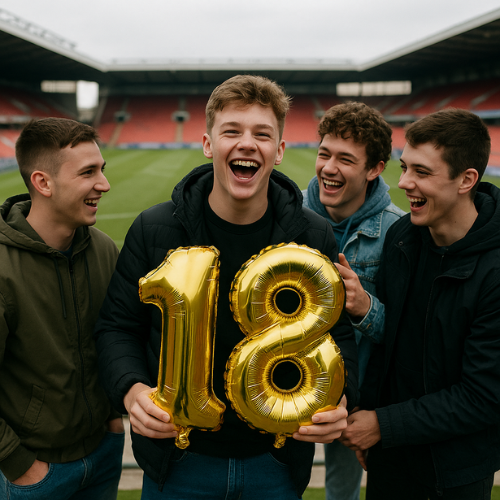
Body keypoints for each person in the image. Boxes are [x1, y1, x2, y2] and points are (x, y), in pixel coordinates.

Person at [94, 74, 358, 500]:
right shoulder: (154, 229)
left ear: (280, 150)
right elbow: (118, 327)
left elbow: (339, 337)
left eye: (262, 134)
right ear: (207, 143)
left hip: (275, 461)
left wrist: (342, 396)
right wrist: (132, 388)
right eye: (232, 131)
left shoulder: (313, 236)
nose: (247, 143)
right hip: (177, 461)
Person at [340, 108, 500, 500]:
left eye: (422, 173)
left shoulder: (495, 272)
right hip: (389, 460)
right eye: (405, 167)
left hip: (453, 474)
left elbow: (483, 396)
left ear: (467, 180)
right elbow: (388, 350)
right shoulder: (403, 237)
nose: (403, 183)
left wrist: (382, 424)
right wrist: (373, 430)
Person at [0, 118, 124, 499]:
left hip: (103, 453)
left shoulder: (104, 249)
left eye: (101, 169)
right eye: (88, 173)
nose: (103, 184)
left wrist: (114, 420)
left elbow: (113, 339)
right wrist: (18, 464)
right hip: (35, 472)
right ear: (43, 183)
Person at [302, 102, 405, 500]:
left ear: (375, 168)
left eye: (345, 159)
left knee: (341, 494)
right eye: (324, 154)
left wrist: (366, 308)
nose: (329, 168)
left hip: (357, 401)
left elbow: (407, 332)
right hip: (289, 385)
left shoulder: (399, 231)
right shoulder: (285, 215)